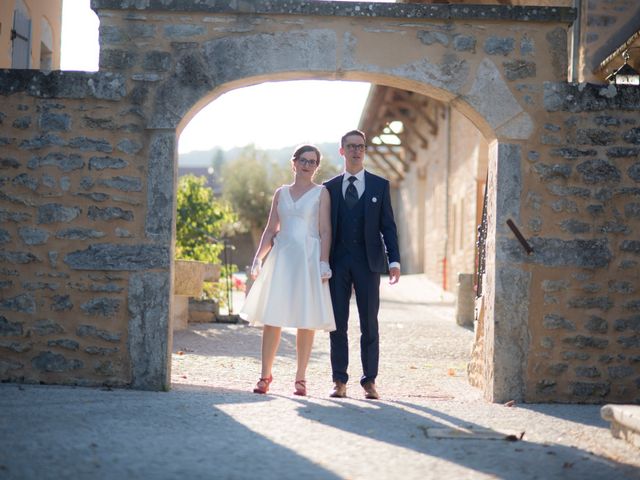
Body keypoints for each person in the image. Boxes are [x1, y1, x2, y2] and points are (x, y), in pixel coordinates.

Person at [241, 144, 335, 397]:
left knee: (307, 319)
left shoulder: (321, 193)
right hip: (282, 258)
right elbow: (271, 229)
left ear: (317, 166)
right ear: (293, 163)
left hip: (308, 258)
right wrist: (258, 258)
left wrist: (324, 262)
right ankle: (265, 375)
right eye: (303, 160)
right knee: (272, 317)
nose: (307, 165)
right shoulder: (280, 193)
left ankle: (301, 378)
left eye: (313, 162)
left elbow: (325, 230)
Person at [323, 129, 401, 400]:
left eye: (361, 146)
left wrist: (394, 260)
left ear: (364, 150)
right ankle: (339, 381)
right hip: (338, 263)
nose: (357, 150)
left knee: (370, 322)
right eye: (351, 146)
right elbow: (321, 229)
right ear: (342, 150)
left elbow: (388, 226)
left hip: (369, 263)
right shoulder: (329, 188)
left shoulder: (380, 185)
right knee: (338, 324)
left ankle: (369, 381)